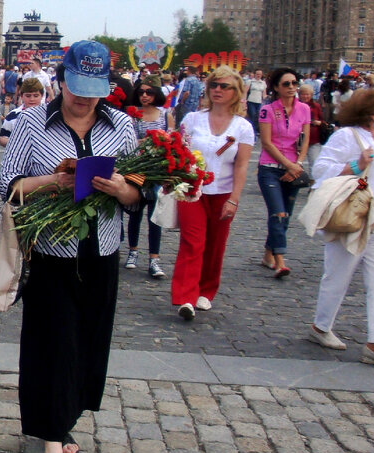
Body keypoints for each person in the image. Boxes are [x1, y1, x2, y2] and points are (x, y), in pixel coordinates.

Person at [0, 39, 141, 453]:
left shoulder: (122, 126)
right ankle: (52, 450)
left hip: (101, 253)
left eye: (94, 88)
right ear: (62, 79)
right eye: (77, 85)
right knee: (54, 344)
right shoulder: (33, 123)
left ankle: (64, 417)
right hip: (52, 257)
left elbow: (139, 193)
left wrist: (121, 190)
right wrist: (53, 182)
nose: (83, 97)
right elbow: (8, 185)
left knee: (87, 345)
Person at [170, 65, 253, 320]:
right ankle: (185, 297)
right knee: (192, 242)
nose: (217, 90)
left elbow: (241, 166)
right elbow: (179, 151)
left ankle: (207, 290)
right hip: (192, 190)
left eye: (224, 86)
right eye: (214, 85)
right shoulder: (193, 119)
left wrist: (234, 199)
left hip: (223, 191)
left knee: (215, 244)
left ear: (236, 92)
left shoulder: (243, 127)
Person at [307, 88, 374, 363]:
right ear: (371, 113)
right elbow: (320, 169)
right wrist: (355, 164)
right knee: (338, 276)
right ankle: (321, 326)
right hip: (353, 218)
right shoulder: (347, 136)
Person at [257, 68, 310, 277]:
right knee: (277, 212)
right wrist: (288, 165)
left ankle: (268, 253)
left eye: (294, 83)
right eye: (286, 84)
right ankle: (280, 261)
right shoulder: (267, 110)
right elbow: (267, 143)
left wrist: (298, 164)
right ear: (277, 87)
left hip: (294, 168)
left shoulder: (304, 109)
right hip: (270, 167)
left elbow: (305, 139)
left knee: (285, 215)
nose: (291, 88)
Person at [125, 83, 170, 279]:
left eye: (149, 92)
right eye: (141, 92)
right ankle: (132, 251)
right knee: (135, 212)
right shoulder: (133, 115)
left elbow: (171, 138)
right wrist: (151, 140)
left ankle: (154, 258)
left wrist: (161, 140)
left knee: (155, 215)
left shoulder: (165, 114)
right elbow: (129, 142)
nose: (144, 96)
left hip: (157, 170)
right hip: (137, 169)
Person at [0, 77, 45, 146]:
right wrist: (18, 143)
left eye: (36, 96)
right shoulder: (13, 115)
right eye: (28, 96)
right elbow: (2, 138)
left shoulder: (47, 115)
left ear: (42, 96)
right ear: (21, 96)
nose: (32, 99)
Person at [298, 83, 327, 165]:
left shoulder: (316, 106)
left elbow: (323, 122)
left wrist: (319, 123)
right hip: (299, 139)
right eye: (303, 94)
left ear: (311, 95)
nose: (305, 96)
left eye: (307, 94)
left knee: (314, 163)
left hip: (314, 140)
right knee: (297, 163)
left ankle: (312, 178)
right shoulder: (296, 106)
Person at [245, 68, 267, 136]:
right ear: (255, 74)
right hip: (251, 101)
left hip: (259, 102)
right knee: (252, 116)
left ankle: (255, 131)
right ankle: (252, 132)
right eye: (257, 74)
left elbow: (264, 93)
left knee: (257, 117)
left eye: (260, 74)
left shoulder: (263, 83)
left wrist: (265, 101)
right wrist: (244, 100)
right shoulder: (250, 82)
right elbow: (245, 91)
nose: (258, 75)